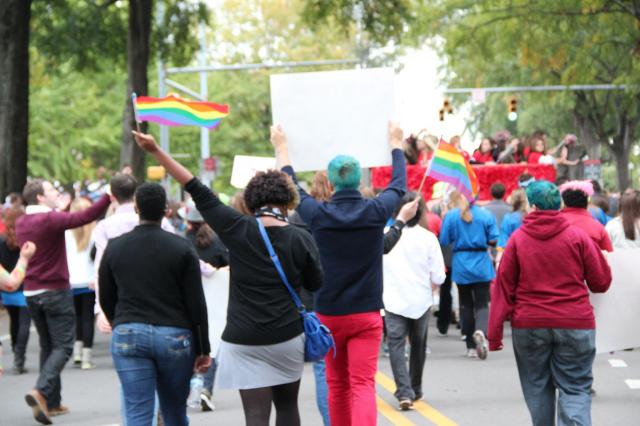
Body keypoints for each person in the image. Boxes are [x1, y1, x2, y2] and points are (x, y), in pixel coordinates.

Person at [133, 130, 324, 426]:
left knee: (255, 415)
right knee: (287, 407)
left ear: (250, 200)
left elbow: (193, 185)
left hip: (244, 338)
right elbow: (315, 284)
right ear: (288, 201)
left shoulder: (236, 227)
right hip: (287, 335)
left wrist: (156, 149)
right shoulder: (301, 237)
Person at [269, 122, 406, 426]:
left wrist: (282, 148)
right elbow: (398, 185)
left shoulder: (318, 214)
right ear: (358, 184)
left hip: (328, 314)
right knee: (362, 385)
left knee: (337, 385)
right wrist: (396, 143)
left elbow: (292, 185)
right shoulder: (375, 211)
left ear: (329, 186)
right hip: (366, 314)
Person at [488, 180, 612, 426]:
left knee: (537, 387)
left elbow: (503, 286)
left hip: (530, 324)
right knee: (575, 387)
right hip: (575, 322)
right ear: (559, 205)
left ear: (532, 206)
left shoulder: (517, 240)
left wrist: (495, 334)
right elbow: (601, 282)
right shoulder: (578, 237)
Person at [99, 183, 211, 426]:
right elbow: (196, 302)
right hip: (174, 334)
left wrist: (119, 322)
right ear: (166, 211)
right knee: (174, 412)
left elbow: (106, 295)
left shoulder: (115, 247)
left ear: (136, 208)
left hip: (129, 331)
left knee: (138, 413)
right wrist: (203, 348)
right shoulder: (182, 247)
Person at [16, 178, 110, 425]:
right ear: (39, 197)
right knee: (65, 346)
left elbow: (56, 225)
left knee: (48, 346)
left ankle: (52, 402)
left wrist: (61, 208)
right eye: (50, 191)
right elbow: (85, 217)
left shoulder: (22, 220)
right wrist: (108, 196)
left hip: (31, 293)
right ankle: (40, 390)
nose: (54, 193)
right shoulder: (49, 219)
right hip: (55, 291)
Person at [383, 193, 446, 410]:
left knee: (396, 345)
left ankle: (404, 391)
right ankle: (415, 387)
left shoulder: (385, 236)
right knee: (418, 345)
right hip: (420, 299)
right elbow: (439, 276)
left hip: (392, 299)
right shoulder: (428, 238)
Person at [439, 191, 498, 359]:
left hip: (461, 262)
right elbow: (494, 239)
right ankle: (481, 330)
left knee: (466, 304)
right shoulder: (485, 214)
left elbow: (443, 240)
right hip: (480, 261)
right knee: (482, 303)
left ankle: (470, 347)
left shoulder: (451, 216)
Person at [0, 206, 34, 375]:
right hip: (23, 287)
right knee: (24, 325)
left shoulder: (1, 241)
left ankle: (15, 352)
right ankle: (19, 360)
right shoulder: (27, 243)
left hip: (6, 290)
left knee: (14, 322)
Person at [65, 197, 97, 370]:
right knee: (87, 319)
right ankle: (86, 356)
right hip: (89, 280)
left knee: (76, 317)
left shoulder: (66, 232)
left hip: (71, 280)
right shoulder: (95, 231)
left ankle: (76, 352)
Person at [559, 181, 613, 252]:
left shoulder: (555, 224)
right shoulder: (598, 228)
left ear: (564, 202)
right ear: (588, 201)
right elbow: (608, 255)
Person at [181, 199, 229, 269]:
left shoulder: (182, 240)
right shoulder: (219, 239)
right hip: (215, 279)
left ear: (188, 220)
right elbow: (227, 264)